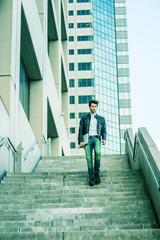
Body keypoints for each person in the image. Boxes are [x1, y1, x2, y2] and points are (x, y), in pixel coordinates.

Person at [78, 100, 106, 186]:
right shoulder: (84, 118)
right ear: (89, 107)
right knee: (88, 158)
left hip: (96, 138)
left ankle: (96, 172)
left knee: (97, 153)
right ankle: (92, 177)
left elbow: (104, 130)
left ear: (97, 107)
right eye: (92, 106)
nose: (94, 108)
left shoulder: (101, 119)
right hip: (87, 139)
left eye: (95, 106)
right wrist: (80, 141)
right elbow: (80, 130)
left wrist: (104, 139)